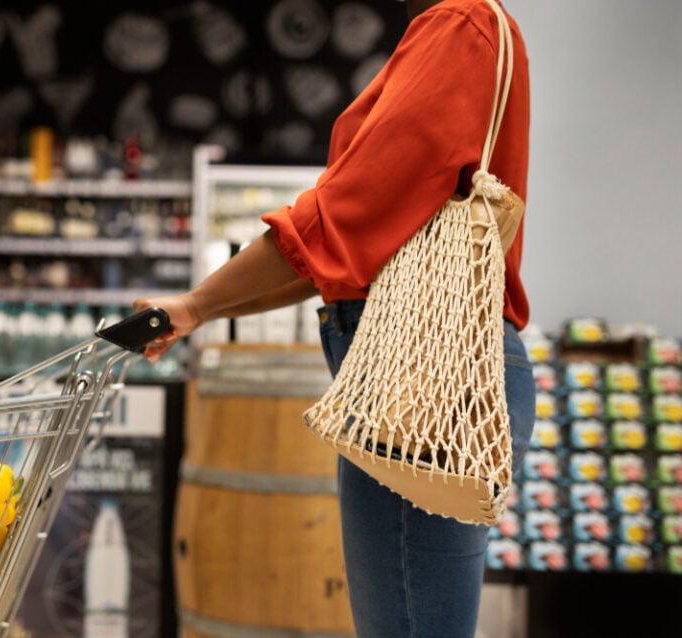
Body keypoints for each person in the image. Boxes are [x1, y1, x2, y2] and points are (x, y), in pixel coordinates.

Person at [133, 0, 535, 636]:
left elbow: (345, 215)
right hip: (440, 369)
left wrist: (198, 302)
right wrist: (200, 312)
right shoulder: (478, 30)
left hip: (424, 378)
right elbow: (339, 259)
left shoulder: (458, 25)